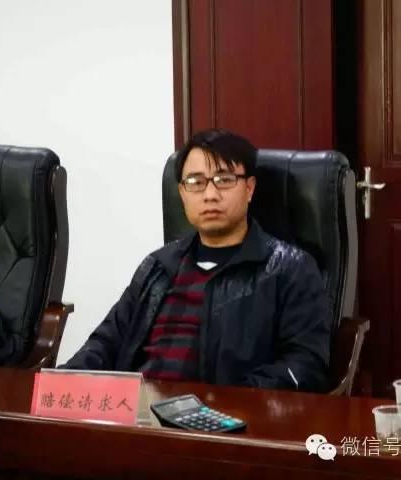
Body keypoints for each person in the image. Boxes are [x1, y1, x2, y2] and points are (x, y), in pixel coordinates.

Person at [62, 128, 331, 392]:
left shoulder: (289, 269)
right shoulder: (158, 266)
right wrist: (62, 385)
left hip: (223, 415)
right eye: (195, 182)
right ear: (182, 193)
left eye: (224, 180)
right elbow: (105, 343)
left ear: (249, 188)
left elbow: (305, 366)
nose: (210, 195)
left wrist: (230, 400)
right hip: (140, 411)